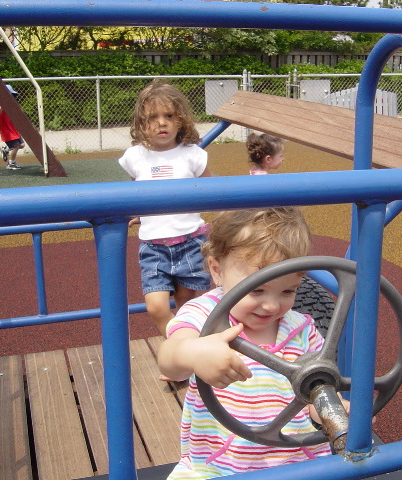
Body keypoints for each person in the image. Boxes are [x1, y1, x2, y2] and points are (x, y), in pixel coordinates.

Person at [158, 207, 342, 479]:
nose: (271, 305)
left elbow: (316, 390)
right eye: (256, 289)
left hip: (296, 460)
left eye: (288, 291)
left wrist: (333, 408)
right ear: (217, 270)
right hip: (216, 464)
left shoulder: (302, 329)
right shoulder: (204, 316)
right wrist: (194, 353)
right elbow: (170, 359)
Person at [119, 80, 212, 337]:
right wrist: (137, 211)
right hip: (154, 246)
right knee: (156, 307)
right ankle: (179, 345)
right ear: (141, 123)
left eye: (169, 116)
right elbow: (134, 189)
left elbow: (214, 191)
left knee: (188, 307)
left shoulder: (192, 154)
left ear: (180, 119)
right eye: (153, 117)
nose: (162, 123)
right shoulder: (135, 156)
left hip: (190, 242)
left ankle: (185, 355)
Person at [0, 84, 25, 170]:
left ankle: (6, 149)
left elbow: (21, 113)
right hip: (7, 131)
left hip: (14, 130)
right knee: (16, 146)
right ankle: (11, 163)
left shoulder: (13, 106)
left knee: (21, 145)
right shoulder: (0, 106)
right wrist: (3, 105)